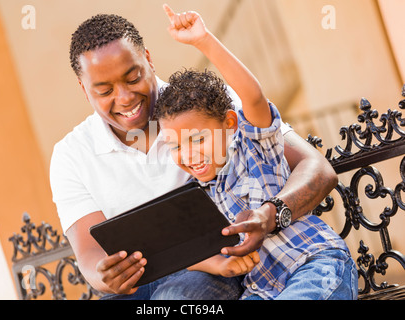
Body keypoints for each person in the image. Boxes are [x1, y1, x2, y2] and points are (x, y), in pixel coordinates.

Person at [49, 5, 341, 299]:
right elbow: (88, 253)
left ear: (148, 59)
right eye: (104, 91)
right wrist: (103, 274)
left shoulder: (204, 107)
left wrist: (271, 214)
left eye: (132, 77)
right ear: (84, 90)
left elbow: (317, 168)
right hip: (148, 282)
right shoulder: (70, 155)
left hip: (215, 274)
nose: (124, 98)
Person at [154, 5, 358, 300]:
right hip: (260, 290)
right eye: (175, 145)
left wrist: (203, 41)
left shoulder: (253, 145)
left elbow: (252, 95)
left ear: (229, 123)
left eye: (197, 139)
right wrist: (220, 265)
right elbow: (183, 252)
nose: (188, 154)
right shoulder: (195, 196)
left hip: (313, 265)